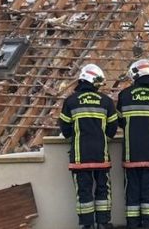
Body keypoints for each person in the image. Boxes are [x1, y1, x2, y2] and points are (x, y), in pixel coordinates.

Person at [59, 64, 119, 229]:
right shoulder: (106, 101)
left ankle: (87, 224)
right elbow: (112, 129)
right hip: (101, 155)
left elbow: (65, 130)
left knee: (83, 192)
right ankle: (103, 223)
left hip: (80, 156)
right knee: (103, 189)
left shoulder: (71, 101)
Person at [116, 59, 149, 228]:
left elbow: (120, 122)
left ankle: (132, 221)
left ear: (135, 74)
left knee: (131, 188)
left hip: (131, 153)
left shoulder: (124, 95)